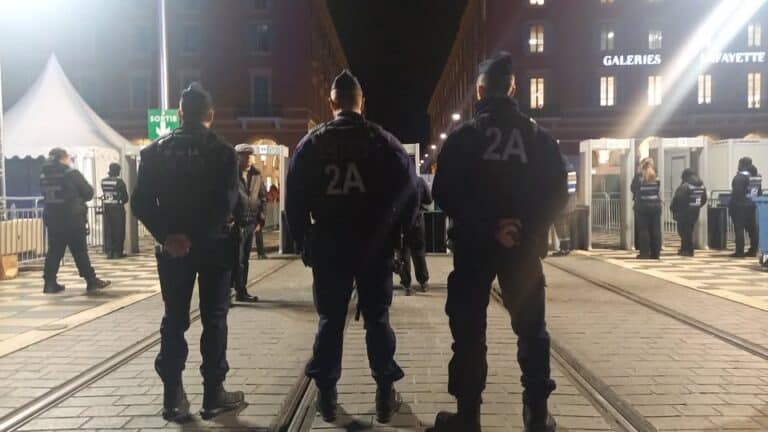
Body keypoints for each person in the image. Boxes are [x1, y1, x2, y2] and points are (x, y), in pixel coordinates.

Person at [429, 53, 567, 432]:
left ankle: (468, 415)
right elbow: (558, 191)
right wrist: (526, 227)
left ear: (479, 91)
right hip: (522, 249)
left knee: (469, 331)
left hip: (473, 247)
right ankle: (535, 415)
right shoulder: (538, 138)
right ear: (512, 88)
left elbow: (443, 191)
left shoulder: (464, 137)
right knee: (531, 331)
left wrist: (488, 226)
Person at [286, 70, 418, 424]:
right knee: (377, 319)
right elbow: (411, 192)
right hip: (374, 246)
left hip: (329, 245)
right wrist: (399, 236)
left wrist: (305, 240)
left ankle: (327, 396)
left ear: (331, 102)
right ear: (362, 102)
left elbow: (294, 200)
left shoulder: (311, 144)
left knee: (330, 320)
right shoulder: (383, 141)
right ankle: (384, 394)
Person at [131, 83, 245, 422]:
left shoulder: (154, 152)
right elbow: (226, 204)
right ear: (210, 114)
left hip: (172, 251)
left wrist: (170, 236)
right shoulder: (223, 152)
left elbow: (140, 202)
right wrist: (196, 236)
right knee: (214, 318)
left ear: (180, 113)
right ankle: (213, 393)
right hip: (214, 246)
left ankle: (173, 396)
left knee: (174, 318)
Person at [40, 148, 111, 294]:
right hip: (72, 218)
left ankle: (49, 283)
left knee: (54, 251)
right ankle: (91, 280)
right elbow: (88, 192)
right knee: (79, 251)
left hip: (52, 219)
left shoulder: (44, 176)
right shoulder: (71, 173)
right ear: (63, 158)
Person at [232, 143, 267, 302]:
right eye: (244, 156)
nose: (248, 159)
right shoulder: (231, 174)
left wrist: (261, 219)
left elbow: (262, 197)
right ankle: (228, 292)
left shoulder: (257, 174)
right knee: (234, 259)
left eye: (250, 156)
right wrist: (230, 220)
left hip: (250, 223)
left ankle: (241, 291)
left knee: (244, 259)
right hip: (235, 224)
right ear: (237, 157)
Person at [398, 175, 433, 295]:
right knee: (419, 252)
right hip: (417, 222)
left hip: (401, 223)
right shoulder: (420, 181)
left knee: (403, 253)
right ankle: (423, 282)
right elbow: (429, 200)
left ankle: (406, 284)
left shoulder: (397, 181)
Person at [670, 169, 707, 257]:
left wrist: (673, 208)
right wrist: (696, 206)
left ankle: (688, 249)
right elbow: (704, 199)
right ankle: (685, 248)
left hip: (684, 212)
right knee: (689, 231)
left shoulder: (685, 186)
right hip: (694, 211)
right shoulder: (701, 186)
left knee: (683, 232)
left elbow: (678, 199)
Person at [729, 157, 761, 258]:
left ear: (742, 164)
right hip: (752, 205)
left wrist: (733, 206)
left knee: (739, 229)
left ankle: (740, 252)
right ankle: (753, 250)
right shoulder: (756, 177)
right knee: (752, 229)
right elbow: (759, 192)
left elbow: (737, 193)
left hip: (740, 207)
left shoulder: (739, 177)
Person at [631, 158, 662, 260]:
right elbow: (657, 189)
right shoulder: (656, 176)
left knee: (644, 230)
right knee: (656, 230)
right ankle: (655, 253)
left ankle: (644, 253)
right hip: (656, 206)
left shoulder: (639, 177)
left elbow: (633, 188)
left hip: (643, 206)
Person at [101, 163, 130, 259]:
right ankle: (117, 252)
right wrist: (121, 201)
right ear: (117, 171)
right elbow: (125, 197)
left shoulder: (103, 181)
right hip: (118, 208)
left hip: (107, 208)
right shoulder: (119, 182)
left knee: (108, 230)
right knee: (119, 230)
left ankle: (109, 252)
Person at [552, 157, 577, 257]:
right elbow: (571, 189)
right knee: (563, 225)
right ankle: (565, 247)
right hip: (567, 203)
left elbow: (568, 190)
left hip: (563, 204)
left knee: (561, 225)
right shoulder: (570, 170)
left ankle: (564, 247)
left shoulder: (565, 171)